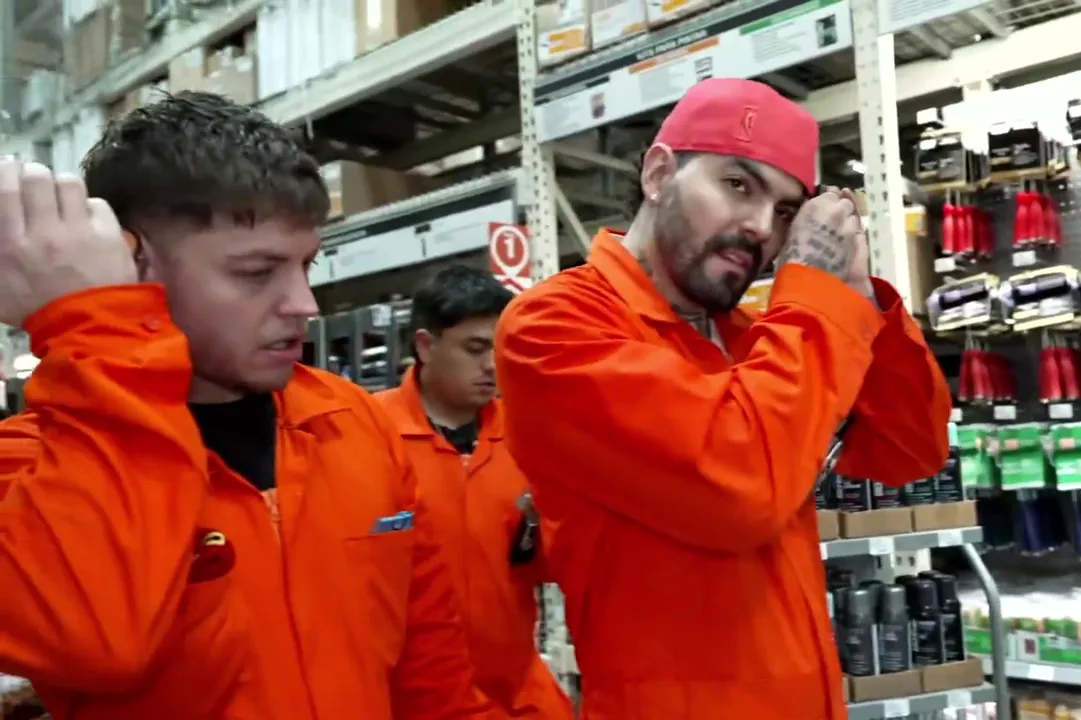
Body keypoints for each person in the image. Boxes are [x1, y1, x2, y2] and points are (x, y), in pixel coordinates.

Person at [0, 92, 491, 719]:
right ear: (130, 263)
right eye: (256, 273)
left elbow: (434, 680)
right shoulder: (33, 467)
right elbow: (100, 642)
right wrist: (94, 324)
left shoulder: (352, 422)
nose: (304, 304)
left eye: (306, 265)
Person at [494, 78, 952, 719]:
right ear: (659, 174)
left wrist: (855, 294)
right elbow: (743, 487)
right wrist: (812, 300)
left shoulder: (758, 339)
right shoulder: (555, 329)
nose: (761, 228)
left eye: (786, 212)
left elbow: (909, 449)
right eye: (738, 185)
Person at [374, 266, 573, 720]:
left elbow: (549, 566)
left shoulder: (529, 437)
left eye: (498, 348)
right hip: (411, 703)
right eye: (475, 349)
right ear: (426, 346)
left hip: (516, 694)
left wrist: (551, 523)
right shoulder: (369, 434)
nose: (491, 366)